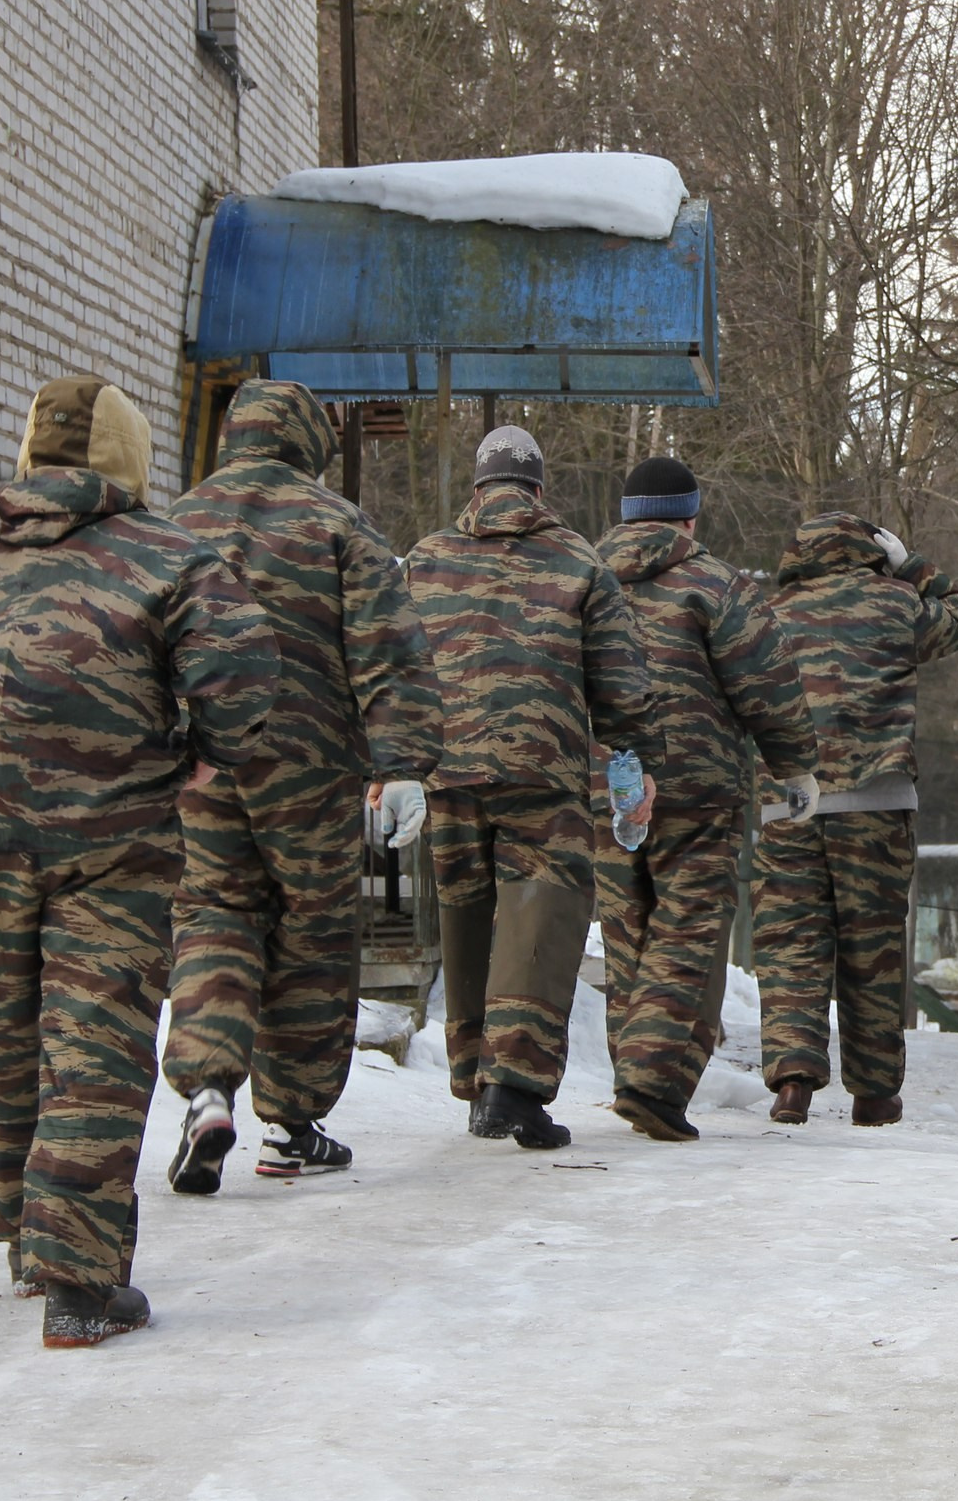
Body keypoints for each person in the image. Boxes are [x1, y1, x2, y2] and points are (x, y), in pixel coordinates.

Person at [0, 376, 277, 1347]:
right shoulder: (167, 557)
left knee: (6, 1029)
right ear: (126, 458)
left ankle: (22, 1234)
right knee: (97, 1043)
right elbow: (241, 686)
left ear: (31, 452)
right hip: (112, 845)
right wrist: (192, 751)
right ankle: (78, 1280)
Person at [158, 379, 441, 1194]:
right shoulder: (337, 525)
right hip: (311, 766)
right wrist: (402, 763)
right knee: (315, 927)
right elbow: (390, 652)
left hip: (203, 762)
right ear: (309, 441)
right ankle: (292, 1123)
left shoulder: (173, 524)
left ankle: (209, 1088)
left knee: (213, 909)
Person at [405, 425, 657, 1149]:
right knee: (541, 915)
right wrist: (632, 768)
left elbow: (392, 663)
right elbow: (621, 686)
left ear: (478, 489)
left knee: (465, 916)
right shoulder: (579, 560)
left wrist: (388, 763)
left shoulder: (425, 557)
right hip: (542, 770)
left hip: (446, 766)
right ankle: (511, 1086)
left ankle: (473, 1074)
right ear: (539, 490)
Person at [595, 457, 820, 1140]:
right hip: (696, 785)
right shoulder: (714, 584)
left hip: (603, 781)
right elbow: (767, 682)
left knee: (627, 930)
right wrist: (795, 765)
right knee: (687, 928)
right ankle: (650, 1079)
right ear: (690, 516)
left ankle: (634, 1073)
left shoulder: (581, 576)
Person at [755, 513, 958, 1126]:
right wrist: (915, 568)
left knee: (791, 941)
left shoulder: (769, 613)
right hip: (878, 801)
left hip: (787, 803)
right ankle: (875, 1092)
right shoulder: (898, 602)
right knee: (872, 948)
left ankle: (793, 1079)